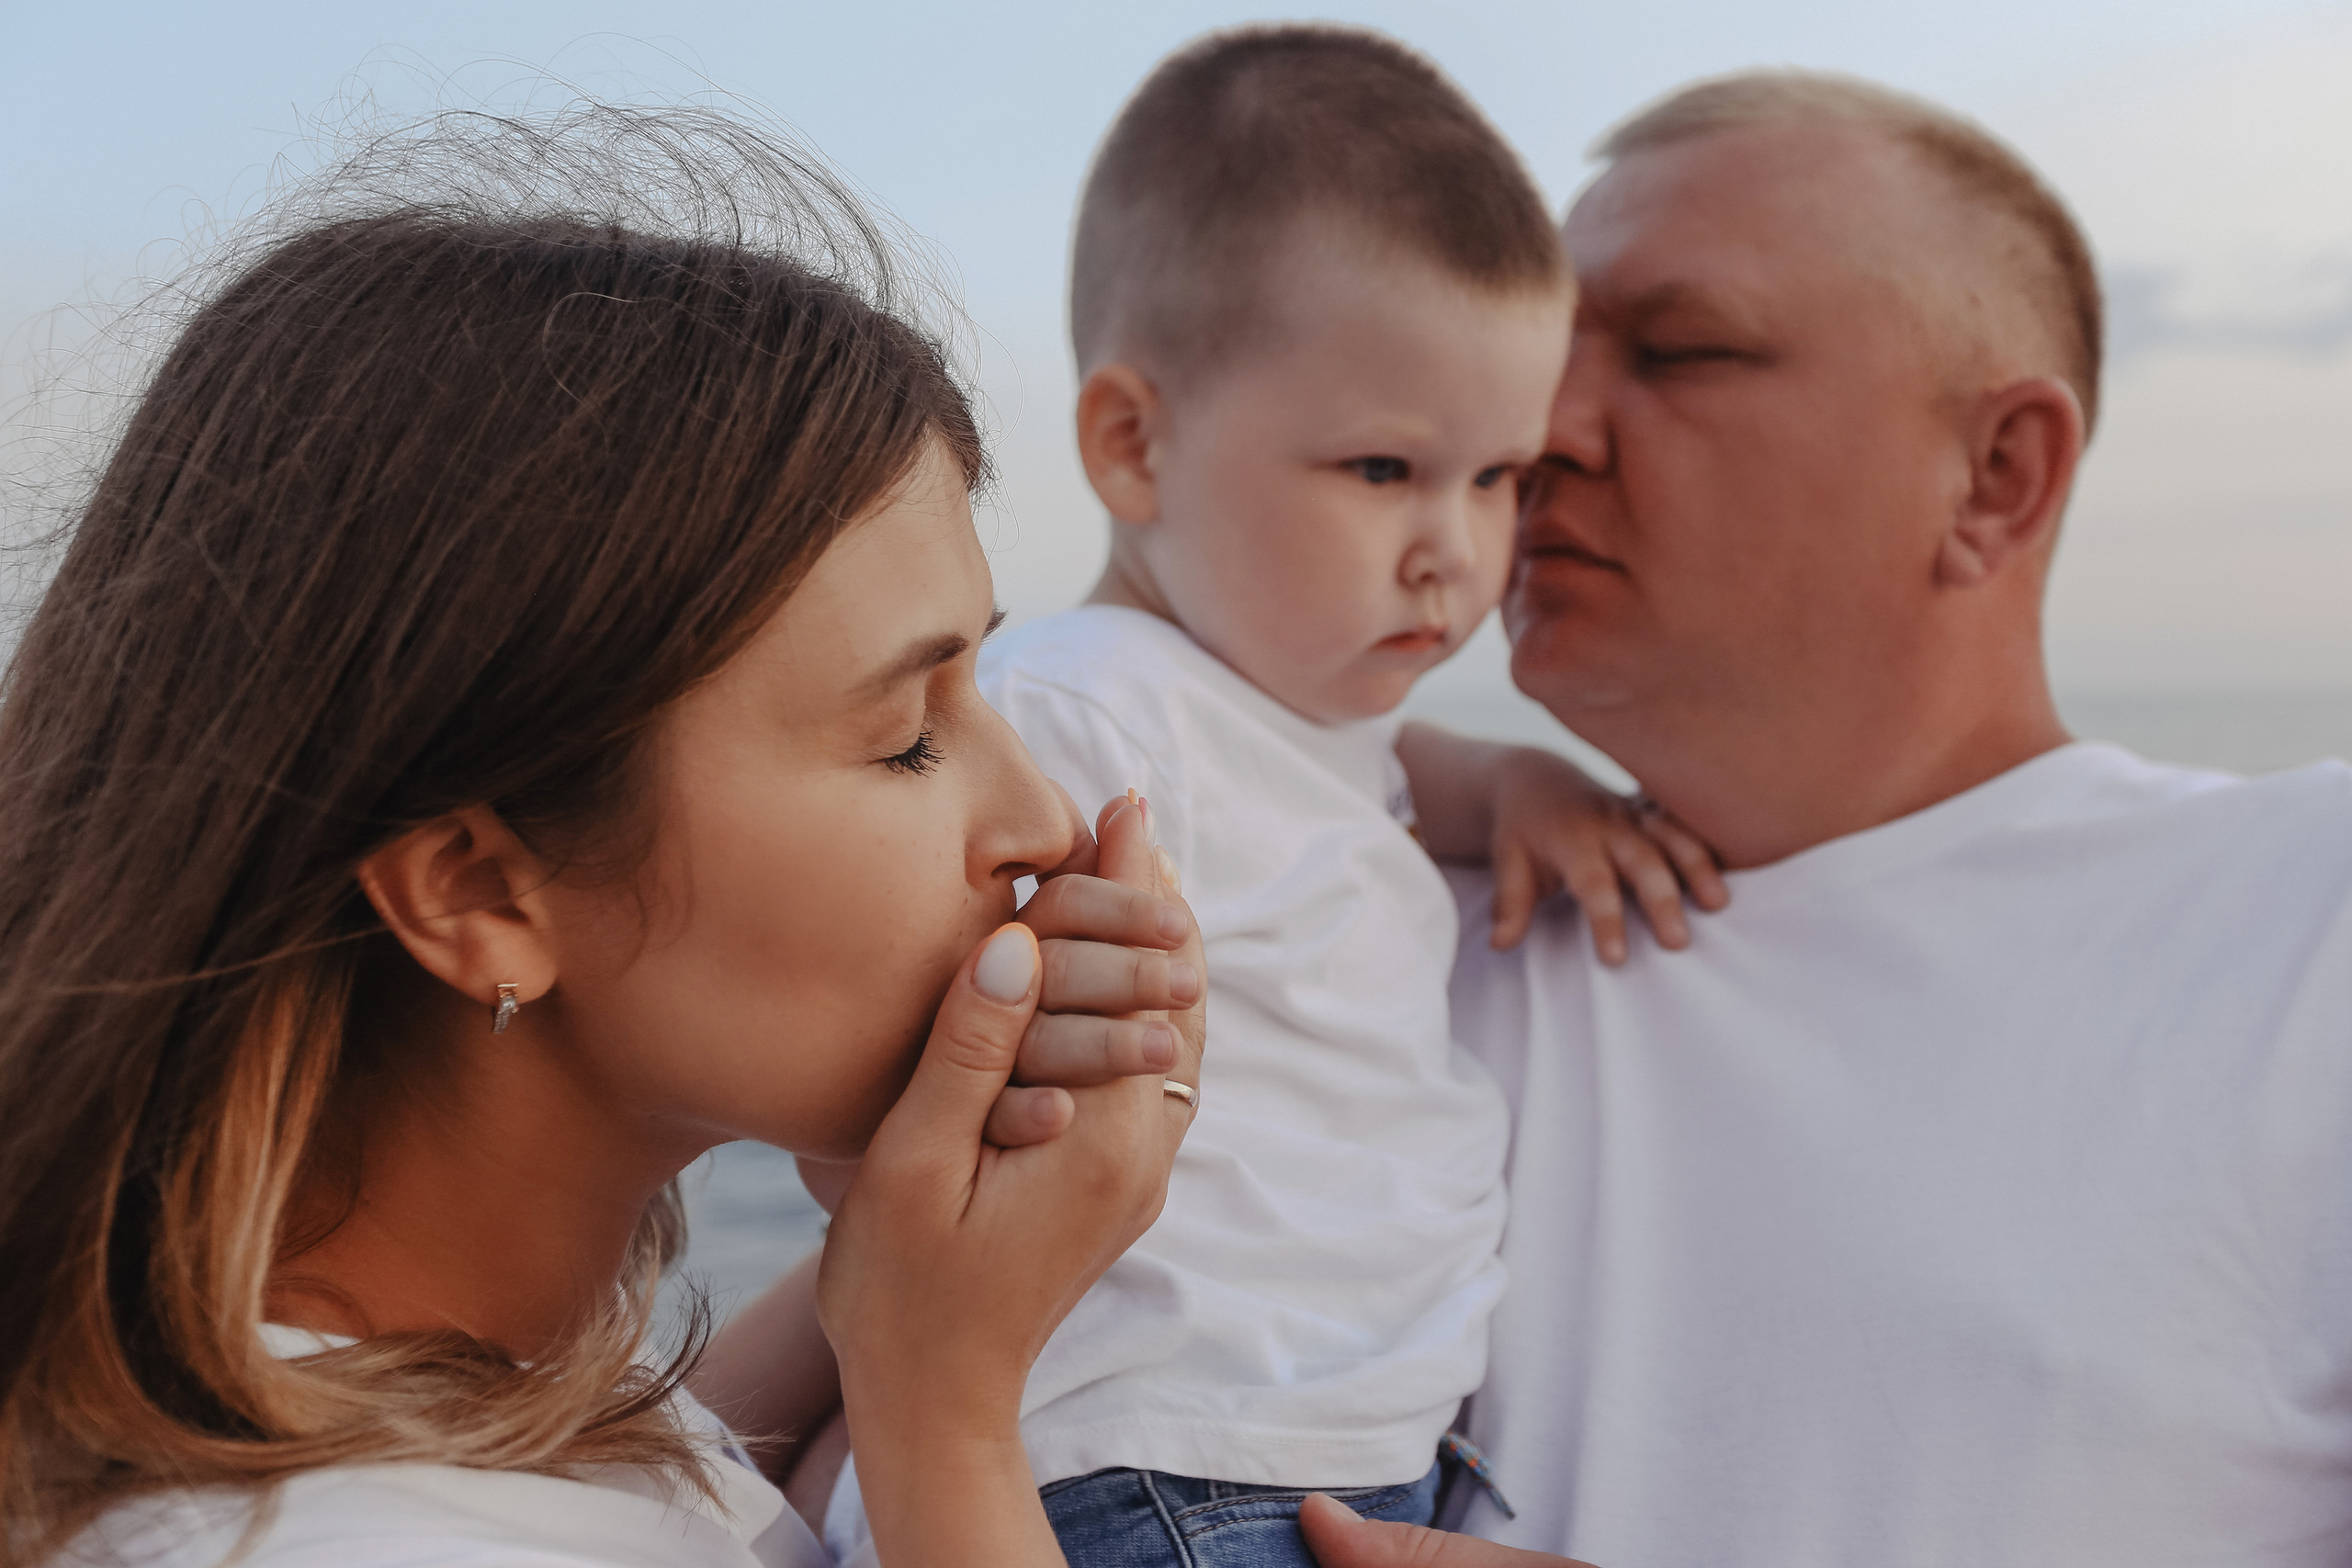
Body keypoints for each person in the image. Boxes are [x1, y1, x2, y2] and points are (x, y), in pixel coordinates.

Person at [0, 105, 1211, 1568]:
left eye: (985, 687)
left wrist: (906, 1290)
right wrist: (948, 1410)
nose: (1040, 824)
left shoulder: (493, 1408)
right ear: (477, 893)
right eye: (907, 734)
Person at [1320, 68, 2352, 1568]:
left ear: (1998, 476)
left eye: (1679, 351)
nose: (1540, 432)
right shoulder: (1338, 921)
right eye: (1540, 354)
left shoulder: (2305, 919)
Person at [821, 28, 1725, 1568]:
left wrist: (1503, 782)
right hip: (1158, 1466)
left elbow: (1348, 777)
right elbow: (882, 1034)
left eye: (1499, 477)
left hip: (1323, 1462)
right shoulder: (1074, 708)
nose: (1456, 548)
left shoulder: (1278, 714)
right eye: (1383, 469)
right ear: (1133, 444)